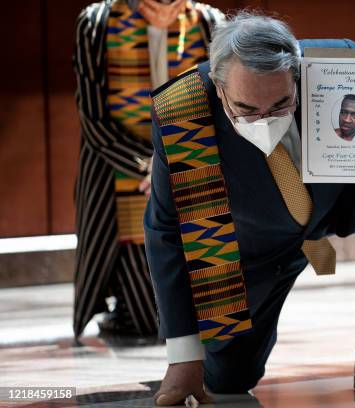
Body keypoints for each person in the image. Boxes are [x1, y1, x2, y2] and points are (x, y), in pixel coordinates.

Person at [144, 13, 355, 405]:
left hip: (337, 202)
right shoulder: (182, 110)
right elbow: (167, 231)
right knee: (228, 379)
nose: (265, 119)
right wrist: (184, 356)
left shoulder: (340, 66)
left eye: (280, 103)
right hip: (248, 250)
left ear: (298, 75)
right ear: (219, 88)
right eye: (246, 108)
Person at [72, 0, 224, 337]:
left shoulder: (207, 21)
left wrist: (175, 161)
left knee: (207, 306)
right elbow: (93, 118)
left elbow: (221, 103)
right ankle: (123, 305)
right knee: (149, 319)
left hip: (192, 164)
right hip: (122, 169)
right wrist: (149, 165)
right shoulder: (96, 22)